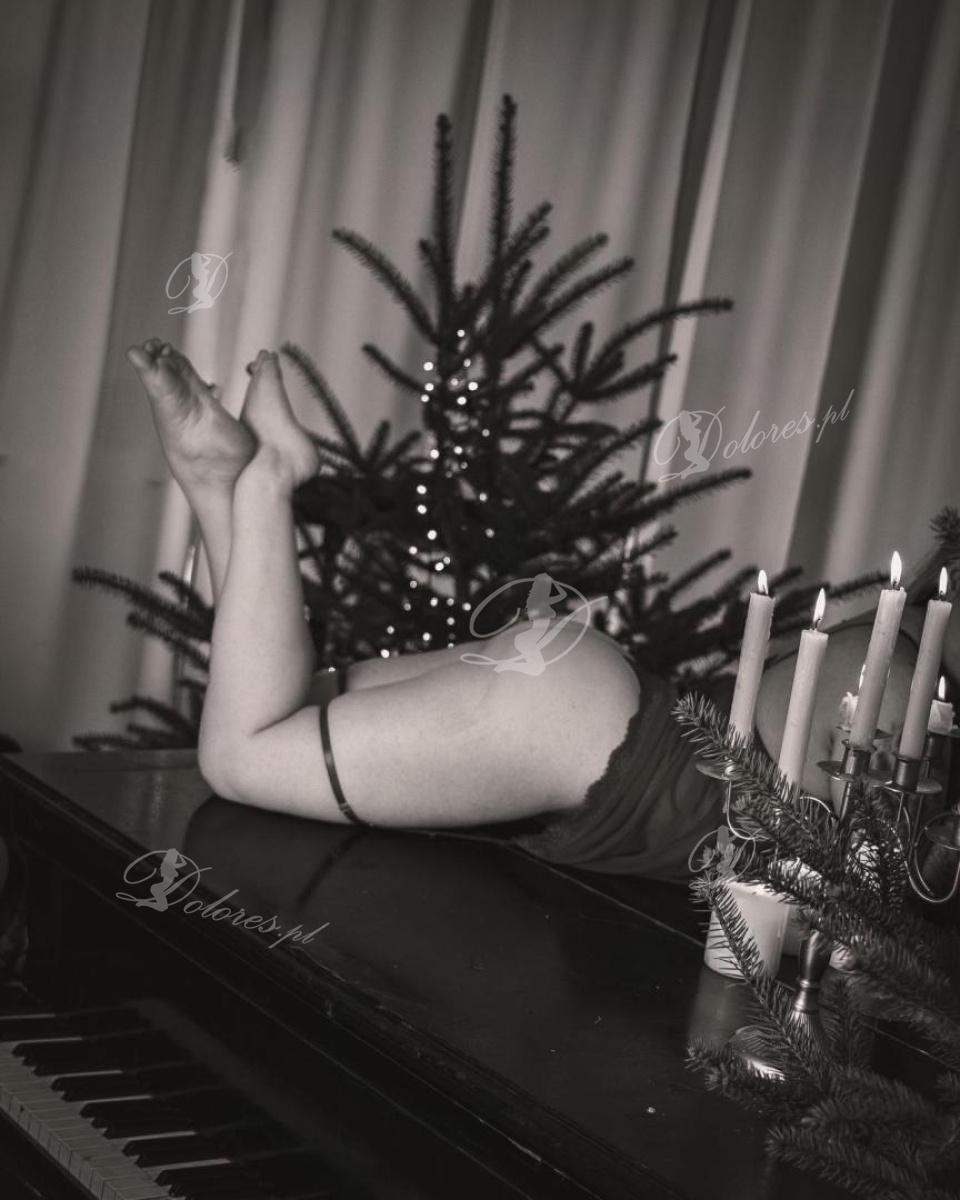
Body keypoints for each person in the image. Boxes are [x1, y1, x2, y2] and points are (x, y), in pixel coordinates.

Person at [127, 339, 959, 881]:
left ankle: (220, 482)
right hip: (582, 739)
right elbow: (851, 898)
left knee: (284, 708)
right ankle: (271, 475)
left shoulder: (896, 644)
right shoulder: (898, 681)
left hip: (580, 708)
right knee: (240, 755)